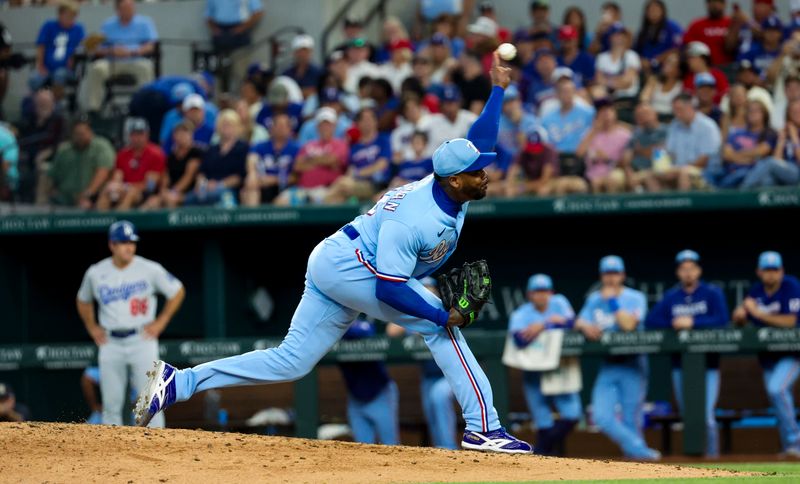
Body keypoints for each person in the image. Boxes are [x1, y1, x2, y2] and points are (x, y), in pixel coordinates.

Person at [135, 53, 533, 455]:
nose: (485, 174)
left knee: (292, 361)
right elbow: (389, 290)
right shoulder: (414, 219)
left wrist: (498, 88)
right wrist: (439, 313)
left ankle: (179, 382)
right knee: (441, 328)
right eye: (477, 172)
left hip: (338, 258)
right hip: (352, 264)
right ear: (453, 179)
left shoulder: (452, 181)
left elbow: (480, 139)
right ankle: (484, 427)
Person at [77, 221, 185, 427]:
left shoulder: (149, 269)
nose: (129, 246)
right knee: (112, 404)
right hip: (110, 342)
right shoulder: (96, 272)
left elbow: (177, 291)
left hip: (141, 339)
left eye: (132, 242)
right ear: (112, 245)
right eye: (123, 242)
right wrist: (91, 327)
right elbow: (83, 300)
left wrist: (161, 321)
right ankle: (113, 455)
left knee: (151, 400)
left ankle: (156, 448)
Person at [575, 255, 660, 461]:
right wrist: (585, 326)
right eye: (607, 273)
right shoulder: (594, 299)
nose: (611, 278)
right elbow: (578, 321)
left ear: (622, 275)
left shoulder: (635, 297)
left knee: (632, 419)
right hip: (609, 364)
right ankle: (642, 452)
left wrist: (612, 301)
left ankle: (636, 464)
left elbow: (628, 325)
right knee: (601, 417)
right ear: (602, 276)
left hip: (633, 363)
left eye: (615, 273)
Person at [646, 250, 729, 458]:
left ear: (699, 270)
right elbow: (651, 321)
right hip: (680, 366)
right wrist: (673, 324)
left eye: (692, 268)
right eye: (684, 269)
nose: (688, 272)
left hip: (709, 364)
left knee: (706, 417)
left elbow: (722, 321)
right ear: (678, 272)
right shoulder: (672, 296)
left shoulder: (712, 292)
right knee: (689, 417)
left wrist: (693, 322)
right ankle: (697, 465)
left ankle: (713, 461)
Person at [732, 251, 800, 457]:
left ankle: (795, 443)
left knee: (776, 389)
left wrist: (758, 313)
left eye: (775, 270)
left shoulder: (791, 285)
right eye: (767, 270)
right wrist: (741, 316)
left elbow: (791, 322)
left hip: (793, 353)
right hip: (769, 358)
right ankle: (790, 447)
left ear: (782, 271)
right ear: (759, 272)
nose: (771, 274)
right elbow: (741, 321)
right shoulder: (756, 291)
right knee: (778, 397)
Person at [508, 274, 580, 456]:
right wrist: (550, 324)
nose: (541, 295)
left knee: (572, 416)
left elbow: (574, 323)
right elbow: (518, 340)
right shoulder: (521, 314)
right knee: (543, 424)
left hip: (559, 368)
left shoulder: (560, 302)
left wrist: (543, 325)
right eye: (536, 292)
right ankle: (545, 462)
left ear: (551, 292)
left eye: (544, 291)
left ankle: (539, 454)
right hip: (534, 372)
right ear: (529, 294)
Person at [79, 0, 158, 113]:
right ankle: (94, 110)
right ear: (118, 10)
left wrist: (132, 52)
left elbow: (151, 46)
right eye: (125, 8)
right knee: (96, 68)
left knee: (146, 68)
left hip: (135, 59)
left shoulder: (145, 23)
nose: (129, 10)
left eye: (131, 7)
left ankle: (145, 107)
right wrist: (111, 51)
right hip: (112, 60)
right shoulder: (108, 25)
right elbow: (97, 49)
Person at [338, 320, 400, 445]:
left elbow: (367, 330)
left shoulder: (355, 324)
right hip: (356, 398)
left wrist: (341, 330)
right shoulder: (331, 331)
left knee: (391, 446)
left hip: (380, 393)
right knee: (362, 451)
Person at [275, 107, 348, 206]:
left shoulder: (340, 144)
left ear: (334, 126)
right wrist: (322, 161)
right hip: (302, 190)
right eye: (322, 124)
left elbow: (332, 160)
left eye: (328, 124)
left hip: (326, 190)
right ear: (317, 126)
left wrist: (309, 160)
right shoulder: (308, 145)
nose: (325, 127)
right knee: (280, 202)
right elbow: (298, 166)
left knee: (327, 199)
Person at [42, 116, 115, 208]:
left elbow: (103, 172)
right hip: (64, 197)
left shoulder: (101, 146)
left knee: (85, 205)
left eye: (82, 134)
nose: (80, 137)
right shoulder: (64, 150)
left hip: (91, 198)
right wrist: (49, 192)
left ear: (90, 132)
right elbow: (52, 175)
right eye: (77, 134)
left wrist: (88, 194)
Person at [96, 118, 166, 211]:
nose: (137, 138)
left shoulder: (156, 154)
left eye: (141, 134)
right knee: (108, 190)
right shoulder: (123, 154)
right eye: (134, 134)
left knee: (131, 193)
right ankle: (102, 221)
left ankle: (120, 219)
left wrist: (129, 187)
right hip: (124, 189)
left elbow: (150, 186)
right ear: (130, 136)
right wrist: (116, 187)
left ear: (147, 134)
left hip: (145, 194)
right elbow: (118, 177)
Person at [325, 107, 390, 204]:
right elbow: (350, 170)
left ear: (375, 121)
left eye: (370, 119)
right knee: (339, 195)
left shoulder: (383, 140)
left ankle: (318, 205)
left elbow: (382, 165)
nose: (367, 122)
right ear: (358, 124)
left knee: (342, 185)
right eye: (364, 120)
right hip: (356, 184)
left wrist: (358, 173)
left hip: (376, 184)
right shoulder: (354, 147)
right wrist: (352, 175)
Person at [184, 109, 248, 206]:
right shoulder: (211, 149)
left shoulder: (243, 148)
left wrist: (219, 185)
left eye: (229, 125)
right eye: (223, 124)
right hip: (207, 187)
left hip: (229, 189)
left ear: (237, 127)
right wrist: (202, 184)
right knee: (189, 198)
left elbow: (240, 176)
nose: (226, 128)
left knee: (224, 198)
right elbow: (202, 172)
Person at [662, 93, 722, 190]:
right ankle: (662, 205)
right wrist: (666, 169)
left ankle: (683, 204)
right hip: (679, 169)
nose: (677, 114)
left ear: (690, 107)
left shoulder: (707, 126)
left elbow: (704, 160)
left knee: (684, 173)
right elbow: (670, 153)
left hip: (707, 172)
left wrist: (678, 170)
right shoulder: (674, 125)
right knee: (652, 176)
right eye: (675, 110)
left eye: (680, 109)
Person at [504, 129, 588, 197]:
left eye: (536, 147)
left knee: (544, 190)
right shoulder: (524, 151)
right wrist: (510, 185)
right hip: (530, 180)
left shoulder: (549, 151)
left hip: (552, 181)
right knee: (506, 189)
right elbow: (512, 171)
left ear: (542, 143)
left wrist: (522, 188)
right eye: (531, 147)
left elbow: (544, 180)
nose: (533, 151)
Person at [140, 121, 204, 210]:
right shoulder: (171, 156)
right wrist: (163, 190)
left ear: (191, 135)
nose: (181, 136)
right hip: (171, 191)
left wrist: (173, 191)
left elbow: (188, 177)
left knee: (170, 200)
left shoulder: (196, 153)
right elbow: (166, 176)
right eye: (178, 133)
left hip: (189, 191)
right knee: (151, 202)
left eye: (184, 133)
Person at [715, 98, 776, 189]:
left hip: (752, 172)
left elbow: (761, 151)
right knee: (712, 168)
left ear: (764, 114)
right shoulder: (737, 133)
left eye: (756, 110)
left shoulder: (769, 133)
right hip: (730, 171)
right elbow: (726, 154)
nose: (752, 113)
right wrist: (746, 159)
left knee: (766, 180)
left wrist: (735, 154)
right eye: (750, 110)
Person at [241, 113, 300, 206]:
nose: (281, 129)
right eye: (278, 125)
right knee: (248, 188)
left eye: (284, 126)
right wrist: (252, 174)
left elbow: (295, 177)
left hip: (285, 187)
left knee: (284, 199)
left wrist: (272, 180)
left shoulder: (296, 148)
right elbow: (252, 159)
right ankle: (252, 218)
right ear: (272, 128)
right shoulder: (261, 146)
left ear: (290, 129)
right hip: (261, 185)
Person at [30, 0, 85, 97]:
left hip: (67, 69)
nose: (71, 19)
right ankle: (38, 104)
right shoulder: (48, 26)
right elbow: (41, 46)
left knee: (59, 75)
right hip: (47, 67)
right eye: (68, 16)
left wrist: (73, 57)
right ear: (60, 14)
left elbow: (82, 47)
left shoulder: (78, 29)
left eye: (73, 16)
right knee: (34, 79)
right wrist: (40, 65)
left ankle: (55, 105)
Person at [576, 98, 632, 193]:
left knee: (612, 179)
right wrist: (594, 131)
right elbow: (579, 153)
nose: (606, 114)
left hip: (616, 171)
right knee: (595, 183)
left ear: (615, 113)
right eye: (602, 111)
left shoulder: (625, 134)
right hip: (593, 174)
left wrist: (607, 158)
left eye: (609, 111)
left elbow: (626, 161)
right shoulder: (591, 133)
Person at [742, 98, 800, 188]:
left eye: (799, 111)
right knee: (768, 180)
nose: (797, 114)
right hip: (785, 171)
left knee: (769, 162)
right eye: (794, 112)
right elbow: (777, 159)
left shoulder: (793, 135)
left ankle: (742, 192)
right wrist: (781, 140)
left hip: (797, 172)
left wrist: (794, 138)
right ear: (788, 115)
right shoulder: (785, 132)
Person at [539, 76, 594, 156]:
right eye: (564, 92)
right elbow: (545, 143)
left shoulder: (588, 113)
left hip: (580, 156)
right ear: (557, 94)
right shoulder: (547, 119)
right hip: (556, 158)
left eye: (569, 91)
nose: (567, 95)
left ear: (574, 92)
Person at [620, 103, 667, 192]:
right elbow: (626, 158)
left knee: (649, 177)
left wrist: (639, 151)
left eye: (646, 113)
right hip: (637, 170)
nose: (643, 117)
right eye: (639, 116)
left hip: (658, 168)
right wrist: (628, 170)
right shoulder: (636, 134)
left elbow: (660, 154)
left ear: (655, 114)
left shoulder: (665, 131)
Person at [595, 23, 641, 103]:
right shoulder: (602, 57)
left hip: (627, 98)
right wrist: (618, 80)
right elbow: (599, 80)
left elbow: (627, 83)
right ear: (610, 37)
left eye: (621, 35)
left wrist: (607, 80)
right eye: (615, 34)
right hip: (606, 97)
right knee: (596, 92)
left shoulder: (632, 56)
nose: (619, 37)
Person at [634, 0, 683, 73]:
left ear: (662, 11)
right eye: (650, 10)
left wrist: (658, 59)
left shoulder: (672, 27)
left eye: (656, 9)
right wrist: (642, 61)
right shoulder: (644, 30)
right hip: (646, 69)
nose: (653, 12)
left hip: (665, 68)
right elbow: (636, 51)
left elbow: (678, 48)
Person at [426, 84, 477, 152]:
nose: (450, 107)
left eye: (452, 102)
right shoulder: (431, 122)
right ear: (441, 105)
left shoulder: (471, 119)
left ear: (459, 102)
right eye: (446, 103)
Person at [683, 0, 733, 66]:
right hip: (704, 69)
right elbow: (687, 47)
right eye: (711, 2)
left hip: (728, 68)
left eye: (719, 2)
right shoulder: (696, 25)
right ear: (707, 4)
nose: (715, 5)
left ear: (724, 4)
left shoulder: (731, 23)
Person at [639, 51, 682, 121]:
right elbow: (644, 97)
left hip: (669, 118)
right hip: (651, 116)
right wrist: (647, 108)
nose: (666, 65)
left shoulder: (680, 86)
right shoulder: (654, 80)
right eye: (666, 62)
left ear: (678, 70)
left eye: (671, 64)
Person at [283, 34, 322, 99]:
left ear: (311, 52)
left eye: (306, 51)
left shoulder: (319, 72)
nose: (303, 54)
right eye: (300, 51)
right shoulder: (286, 73)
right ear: (294, 52)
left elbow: (319, 92)